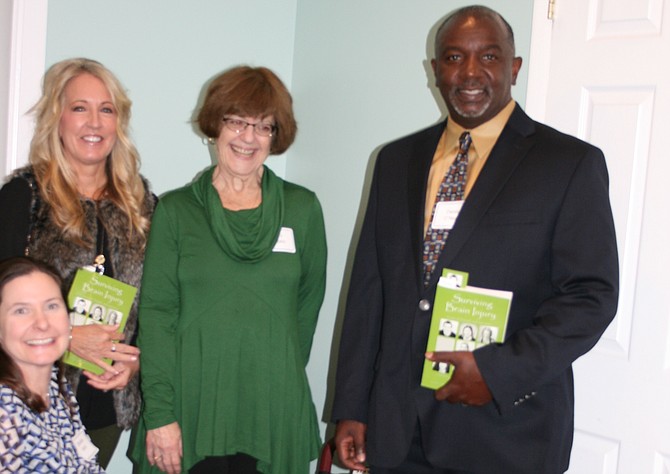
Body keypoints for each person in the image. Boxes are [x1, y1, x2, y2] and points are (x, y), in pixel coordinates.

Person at [332, 6, 619, 474]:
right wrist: (352, 405)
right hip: (397, 430)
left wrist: (498, 372)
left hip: (505, 434)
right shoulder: (395, 161)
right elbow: (370, 291)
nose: (469, 72)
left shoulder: (568, 164)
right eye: (452, 57)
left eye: (488, 56)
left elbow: (592, 296)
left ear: (515, 67)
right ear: (435, 71)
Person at [132, 65, 327, 474]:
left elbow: (307, 308)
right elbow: (157, 315)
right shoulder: (176, 211)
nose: (248, 137)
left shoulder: (303, 209)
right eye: (236, 121)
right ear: (214, 127)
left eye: (263, 126)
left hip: (273, 409)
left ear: (276, 136)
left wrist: (273, 368)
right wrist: (161, 414)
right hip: (189, 408)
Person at [0, 58, 156, 467]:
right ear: (57, 118)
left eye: (106, 109)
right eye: (79, 108)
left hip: (108, 403)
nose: (94, 123)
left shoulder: (143, 206)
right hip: (30, 398)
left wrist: (135, 360)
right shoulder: (24, 196)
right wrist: (68, 335)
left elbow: (158, 304)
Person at [0, 256, 103, 472]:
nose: (42, 323)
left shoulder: (56, 387)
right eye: (21, 310)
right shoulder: (5, 413)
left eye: (52, 306)